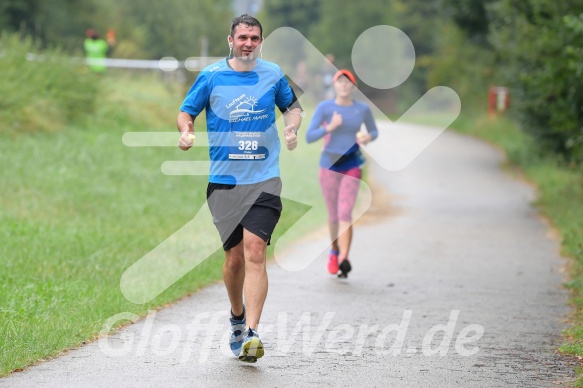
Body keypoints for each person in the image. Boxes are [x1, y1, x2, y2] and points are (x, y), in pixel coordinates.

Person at [176, 14, 303, 363]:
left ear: (261, 42)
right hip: (224, 182)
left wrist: (291, 128)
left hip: (264, 179)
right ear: (230, 40)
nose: (249, 43)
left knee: (255, 250)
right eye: (243, 37)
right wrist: (186, 131)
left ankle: (252, 331)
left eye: (255, 38)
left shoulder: (273, 73)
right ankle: (236, 316)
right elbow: (187, 111)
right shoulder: (212, 76)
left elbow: (293, 107)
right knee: (233, 260)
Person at [305, 70, 378, 278]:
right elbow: (310, 136)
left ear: (353, 87)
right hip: (328, 165)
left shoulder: (361, 110)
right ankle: (334, 251)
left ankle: (345, 258)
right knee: (334, 216)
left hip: (352, 164)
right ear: (335, 85)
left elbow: (374, 131)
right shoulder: (325, 108)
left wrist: (367, 137)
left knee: (345, 213)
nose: (344, 86)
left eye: (348, 82)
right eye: (340, 82)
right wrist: (331, 127)